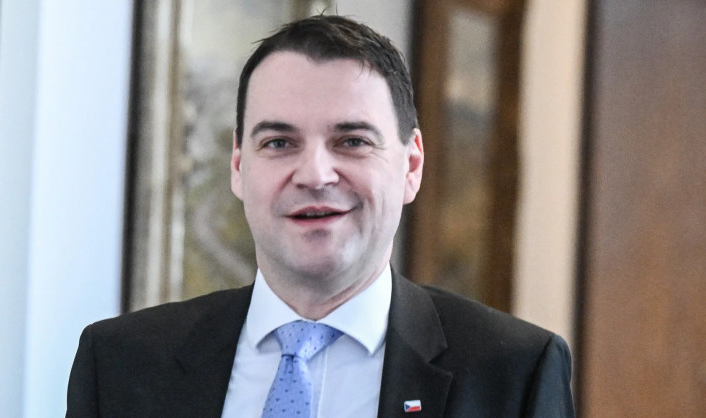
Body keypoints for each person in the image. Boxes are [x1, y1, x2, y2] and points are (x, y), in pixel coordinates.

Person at [66, 15, 574, 417]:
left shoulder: (514, 375)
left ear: (411, 165)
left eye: (351, 141)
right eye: (279, 142)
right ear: (239, 166)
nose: (314, 174)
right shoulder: (118, 364)